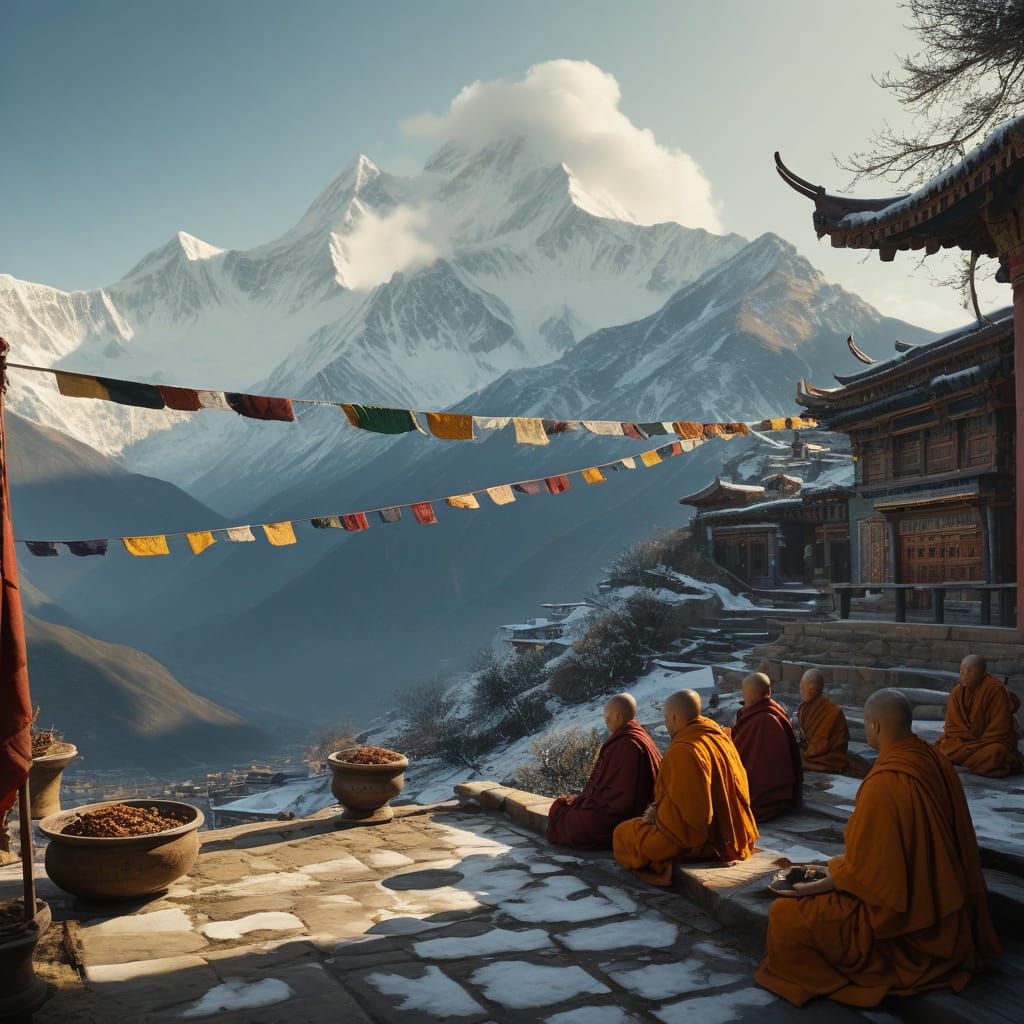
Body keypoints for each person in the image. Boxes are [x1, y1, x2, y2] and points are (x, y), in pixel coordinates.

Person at [756, 689, 1000, 1008]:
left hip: (904, 923)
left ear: (875, 728)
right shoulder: (934, 759)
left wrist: (819, 883)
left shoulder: (886, 784)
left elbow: (869, 876)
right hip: (943, 900)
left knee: (785, 916)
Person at [612, 689, 758, 885]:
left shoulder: (683, 750)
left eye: (666, 718)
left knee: (624, 833)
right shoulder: (717, 735)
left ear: (675, 717)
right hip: (736, 832)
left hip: (705, 840)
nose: (665, 723)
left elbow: (694, 819)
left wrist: (657, 816)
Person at [547, 693, 662, 850]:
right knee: (563, 805)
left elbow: (621, 800)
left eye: (607, 718)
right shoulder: (638, 735)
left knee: (565, 816)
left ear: (618, 716)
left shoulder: (627, 744)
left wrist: (592, 801)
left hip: (622, 816)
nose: (606, 722)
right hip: (627, 809)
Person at [935, 655, 1023, 778]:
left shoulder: (995, 690)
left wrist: (975, 742)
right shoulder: (957, 692)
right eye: (962, 671)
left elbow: (1001, 729)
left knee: (996, 752)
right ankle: (972, 759)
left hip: (988, 741)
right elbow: (952, 726)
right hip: (965, 741)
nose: (965, 675)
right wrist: (966, 739)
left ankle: (966, 758)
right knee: (946, 746)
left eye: (970, 672)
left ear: (982, 673)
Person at [730, 673, 802, 821]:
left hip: (762, 793)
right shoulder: (770, 710)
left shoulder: (765, 720)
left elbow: (740, 751)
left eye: (746, 694)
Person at [797, 669, 870, 777]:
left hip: (829, 756)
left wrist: (804, 752)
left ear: (819, 689)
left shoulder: (834, 712)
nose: (804, 691)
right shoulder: (804, 707)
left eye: (811, 688)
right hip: (811, 750)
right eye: (804, 687)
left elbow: (822, 743)